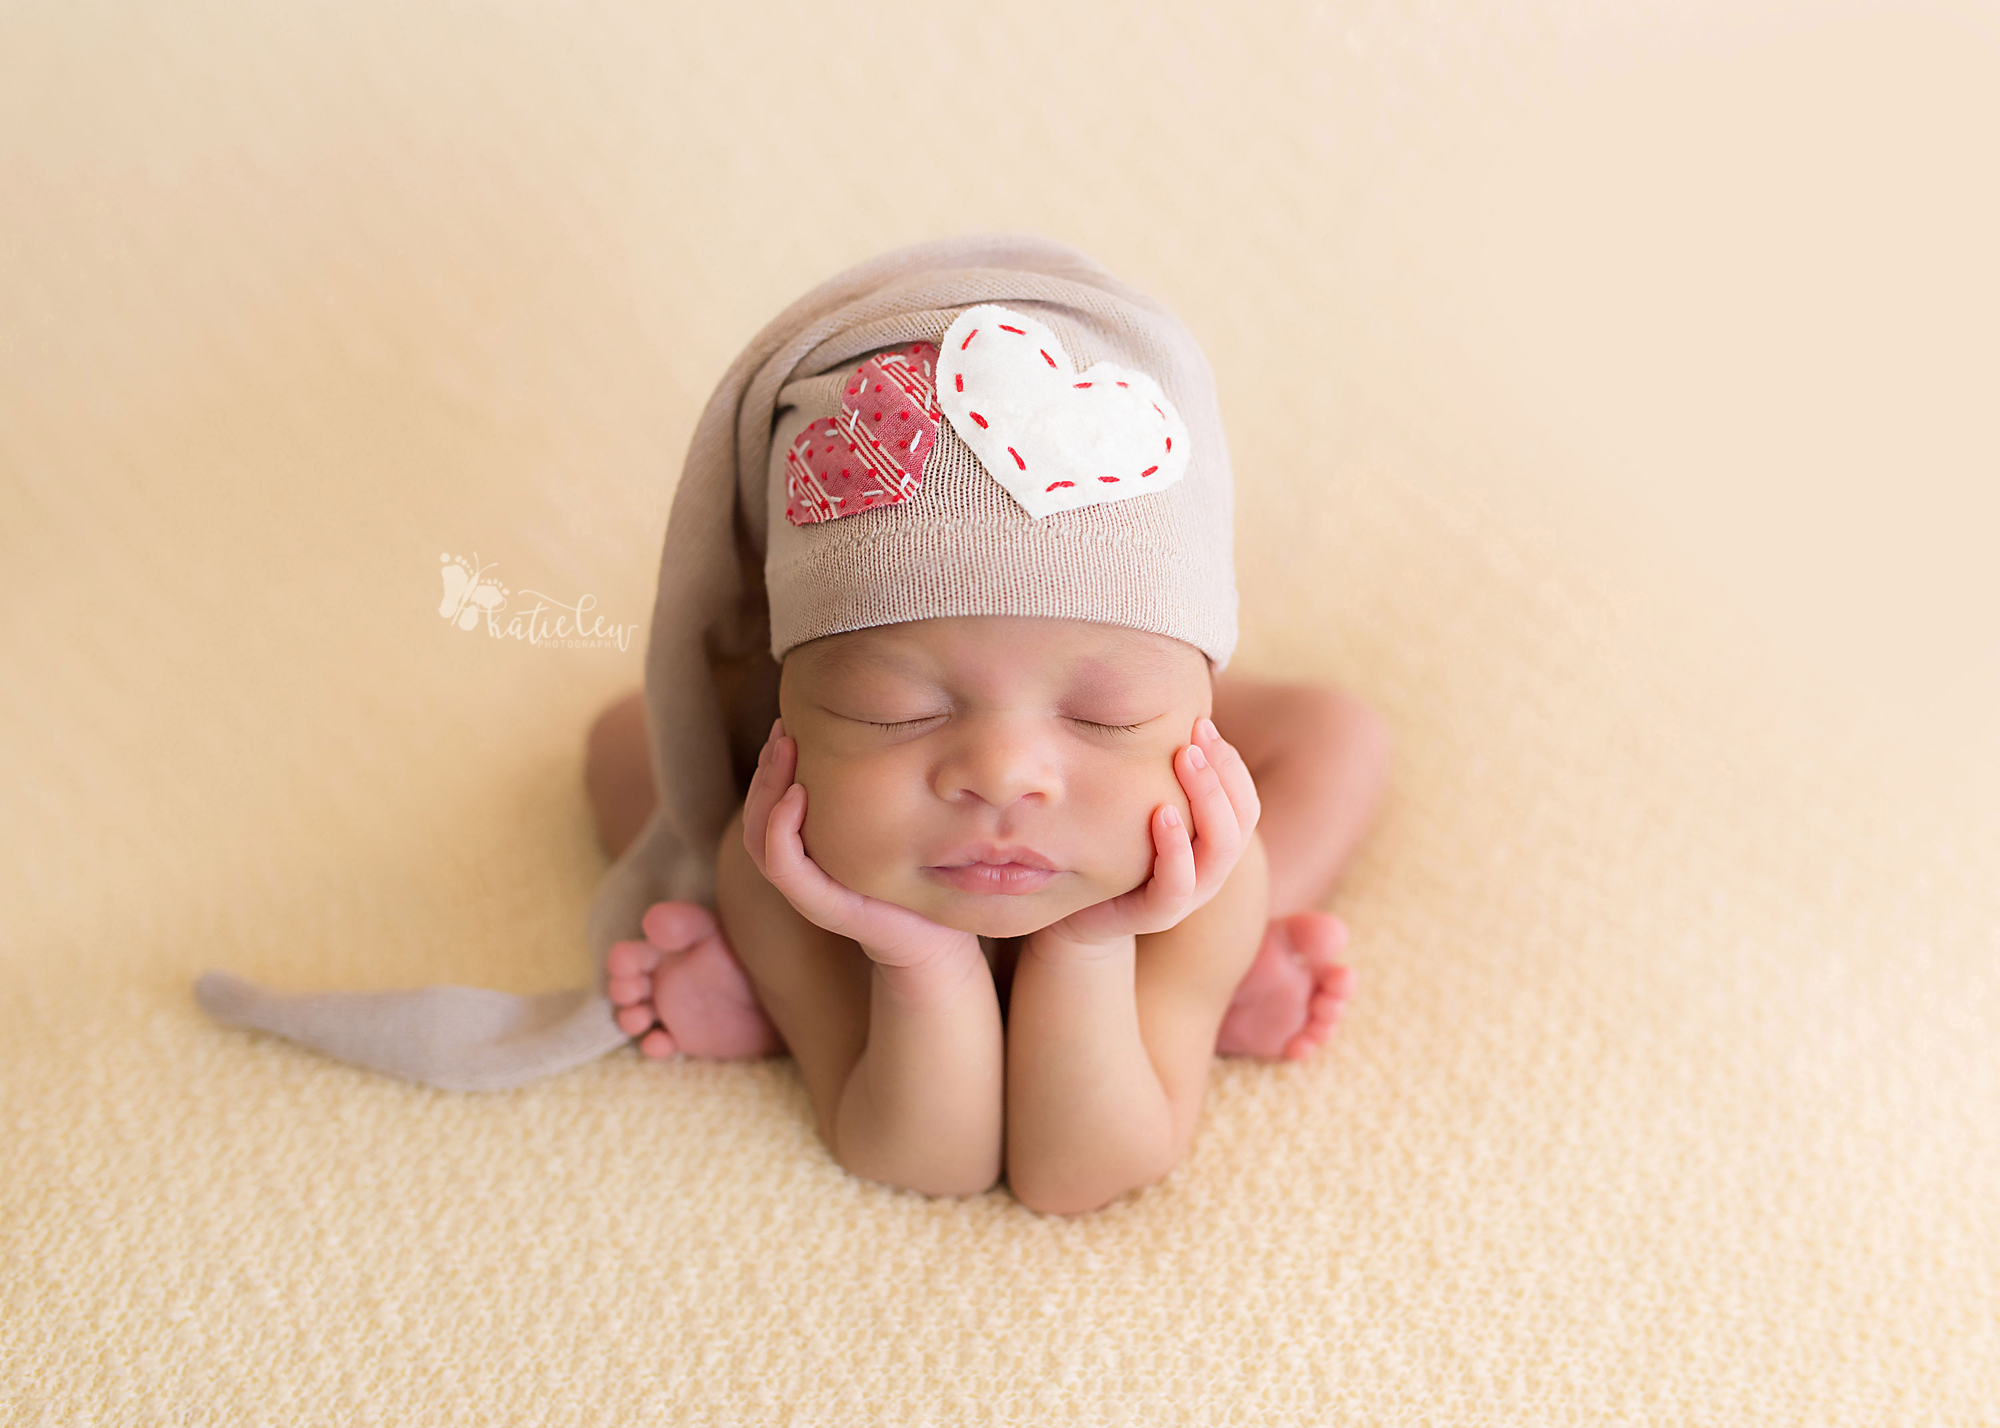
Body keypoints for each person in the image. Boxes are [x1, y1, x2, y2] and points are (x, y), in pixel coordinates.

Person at [578, 246, 1390, 1215]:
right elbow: (928, 1163)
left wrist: (1095, 947)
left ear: (1194, 709)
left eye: (1106, 713)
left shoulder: (1195, 876)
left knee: (1337, 740)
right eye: (895, 710)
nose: (1003, 773)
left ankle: (1202, 984)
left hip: (1141, 898)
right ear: (789, 712)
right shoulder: (782, 873)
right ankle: (801, 999)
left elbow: (1076, 1173)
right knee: (630, 745)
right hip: (861, 905)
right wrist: (911, 956)